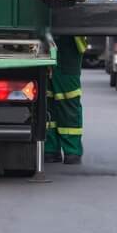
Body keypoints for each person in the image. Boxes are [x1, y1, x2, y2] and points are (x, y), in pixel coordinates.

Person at [45, 36, 85, 165]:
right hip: (54, 45)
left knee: (66, 99)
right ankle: (54, 149)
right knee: (48, 101)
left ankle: (67, 151)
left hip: (67, 48)